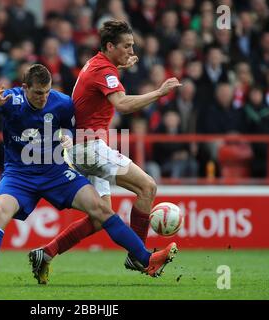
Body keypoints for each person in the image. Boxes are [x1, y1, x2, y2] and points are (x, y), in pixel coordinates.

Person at [0, 64, 177, 286]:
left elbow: (71, 128)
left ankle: (146, 259)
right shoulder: (9, 99)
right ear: (25, 87)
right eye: (38, 93)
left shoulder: (62, 102)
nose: (43, 98)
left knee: (101, 209)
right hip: (19, 175)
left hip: (55, 171)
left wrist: (66, 136)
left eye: (47, 92)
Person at [30, 20, 181, 284]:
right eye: (126, 46)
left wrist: (120, 65)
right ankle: (139, 255)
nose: (130, 50)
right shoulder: (104, 70)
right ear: (110, 46)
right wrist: (159, 92)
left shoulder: (98, 63)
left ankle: (47, 252)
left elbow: (100, 88)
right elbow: (121, 104)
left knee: (100, 217)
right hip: (90, 147)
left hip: (80, 147)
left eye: (132, 45)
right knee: (148, 187)